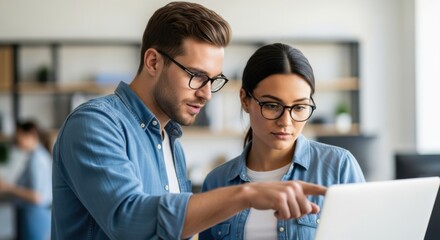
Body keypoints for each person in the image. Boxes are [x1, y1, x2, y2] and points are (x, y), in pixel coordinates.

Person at [51, 2, 326, 239]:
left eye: (212, 80)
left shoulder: (172, 143)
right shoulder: (95, 124)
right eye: (196, 75)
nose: (206, 94)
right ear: (153, 62)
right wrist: (247, 195)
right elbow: (128, 221)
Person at [199, 43, 365, 240]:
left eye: (299, 107)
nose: (286, 122)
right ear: (245, 100)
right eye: (271, 105)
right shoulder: (217, 182)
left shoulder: (339, 167)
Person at [0, 120, 52, 240]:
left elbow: (36, 197)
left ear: (30, 135)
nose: (15, 139)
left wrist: (8, 187)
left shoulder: (37, 160)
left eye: (18, 135)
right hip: (34, 216)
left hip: (35, 217)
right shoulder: (37, 156)